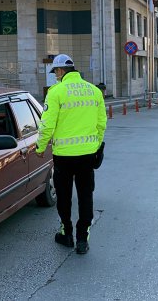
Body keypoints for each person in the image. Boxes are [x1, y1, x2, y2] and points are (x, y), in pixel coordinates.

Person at [36, 54, 106, 254]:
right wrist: (96, 145)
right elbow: (102, 124)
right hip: (87, 156)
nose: (56, 76)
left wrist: (40, 148)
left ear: (59, 71)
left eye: (56, 73)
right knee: (86, 196)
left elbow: (47, 125)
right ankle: (83, 238)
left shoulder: (56, 91)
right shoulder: (94, 91)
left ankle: (66, 234)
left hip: (63, 157)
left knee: (64, 196)